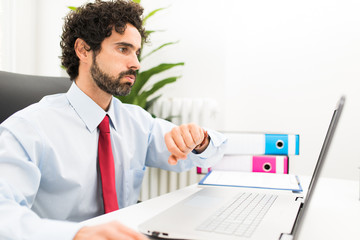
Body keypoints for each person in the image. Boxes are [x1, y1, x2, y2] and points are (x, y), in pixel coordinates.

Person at [0, 0, 227, 239]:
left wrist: (198, 141)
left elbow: (205, 154)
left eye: (136, 52)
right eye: (123, 49)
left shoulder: (136, 122)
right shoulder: (28, 129)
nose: (136, 63)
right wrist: (77, 234)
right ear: (83, 50)